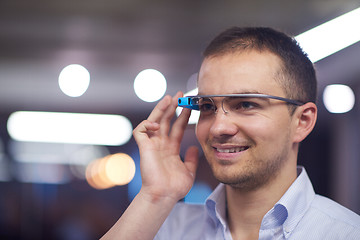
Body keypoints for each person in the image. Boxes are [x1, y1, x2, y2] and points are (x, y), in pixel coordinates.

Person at [101, 27, 360, 240]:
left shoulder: (345, 234)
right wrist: (156, 196)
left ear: (302, 121)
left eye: (246, 104)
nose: (218, 127)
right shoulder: (165, 228)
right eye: (207, 106)